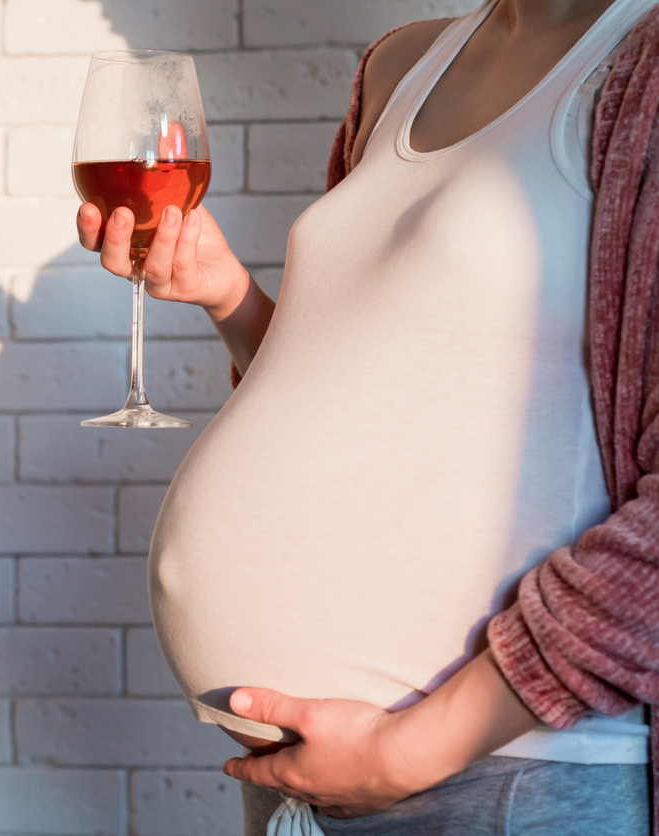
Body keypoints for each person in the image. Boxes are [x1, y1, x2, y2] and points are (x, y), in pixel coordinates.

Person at [76, 0, 659, 833]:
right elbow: (372, 394)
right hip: (304, 783)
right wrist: (230, 297)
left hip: (502, 781)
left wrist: (409, 751)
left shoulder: (641, 65)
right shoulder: (400, 67)